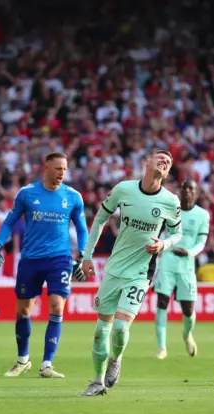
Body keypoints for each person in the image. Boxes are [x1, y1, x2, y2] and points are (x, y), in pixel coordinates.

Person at [79, 150, 182, 396]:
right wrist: (87, 256)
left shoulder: (171, 201)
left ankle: (116, 358)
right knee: (101, 329)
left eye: (168, 162)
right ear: (146, 162)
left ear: (167, 172)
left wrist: (163, 244)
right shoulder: (123, 190)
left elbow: (177, 234)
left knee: (120, 328)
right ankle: (96, 382)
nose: (164, 162)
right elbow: (100, 218)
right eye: (160, 157)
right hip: (115, 268)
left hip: (141, 271)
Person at [0, 152, 88, 379]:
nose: (62, 173)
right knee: (23, 311)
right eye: (58, 168)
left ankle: (47, 364)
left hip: (59, 259)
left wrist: (83, 254)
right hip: (31, 259)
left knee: (56, 306)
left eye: (65, 169)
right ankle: (23, 359)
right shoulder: (27, 193)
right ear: (46, 167)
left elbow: (82, 228)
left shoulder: (73, 197)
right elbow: (9, 222)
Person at [154, 179, 210, 360]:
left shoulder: (202, 215)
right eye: (184, 188)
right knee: (162, 303)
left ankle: (187, 334)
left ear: (197, 193)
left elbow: (201, 242)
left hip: (186, 265)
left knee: (188, 310)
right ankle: (162, 347)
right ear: (180, 191)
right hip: (167, 262)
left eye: (191, 189)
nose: (187, 191)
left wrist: (190, 252)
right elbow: (157, 232)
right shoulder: (171, 211)